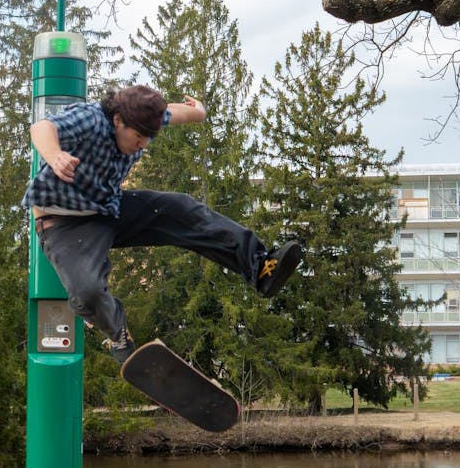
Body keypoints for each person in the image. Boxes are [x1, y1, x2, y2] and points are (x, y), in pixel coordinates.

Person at [23, 84, 302, 364]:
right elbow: (42, 128)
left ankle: (260, 267)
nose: (143, 144)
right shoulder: (92, 118)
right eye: (140, 137)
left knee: (182, 209)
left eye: (149, 137)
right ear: (118, 119)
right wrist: (55, 155)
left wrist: (200, 113)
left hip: (109, 209)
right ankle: (117, 333)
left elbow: (175, 113)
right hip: (63, 223)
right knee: (88, 290)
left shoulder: (143, 119)